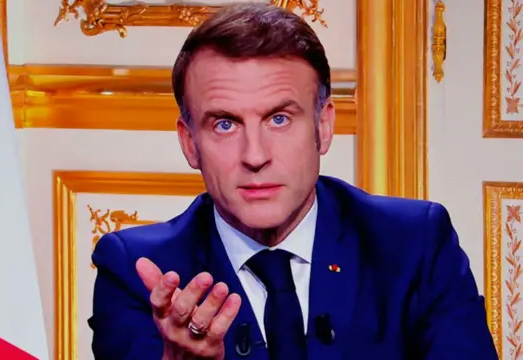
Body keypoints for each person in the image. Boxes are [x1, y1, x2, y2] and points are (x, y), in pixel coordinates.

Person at [87, 3, 498, 359]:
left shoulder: (414, 244)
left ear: (323, 125)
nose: (255, 156)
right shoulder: (138, 272)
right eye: (225, 124)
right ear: (189, 142)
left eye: (279, 119)